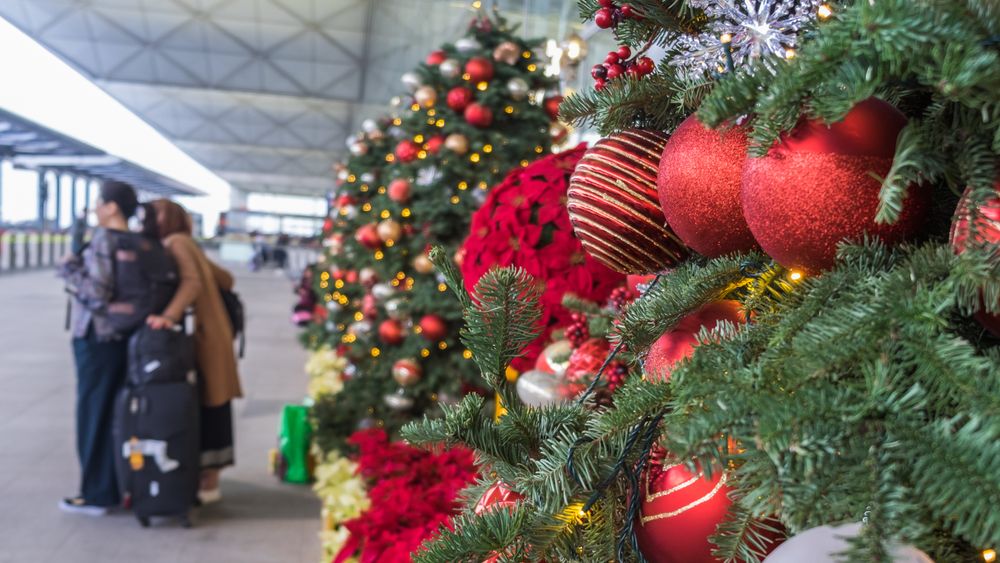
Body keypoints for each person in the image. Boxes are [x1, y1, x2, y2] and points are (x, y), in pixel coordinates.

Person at [57, 181, 160, 515]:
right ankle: (114, 486)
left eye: (98, 203)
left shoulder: (104, 239)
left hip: (97, 337)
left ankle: (96, 493)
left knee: (93, 415)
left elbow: (98, 292)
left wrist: (68, 269)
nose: (96, 209)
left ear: (112, 207)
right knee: (114, 415)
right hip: (125, 337)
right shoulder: (140, 240)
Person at [146, 199, 242, 504]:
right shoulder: (188, 243)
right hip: (216, 334)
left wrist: (169, 316)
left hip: (202, 337)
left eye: (155, 213)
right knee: (215, 401)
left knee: (207, 404)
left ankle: (208, 482)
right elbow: (225, 279)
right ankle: (210, 480)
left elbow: (193, 282)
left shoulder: (175, 243)